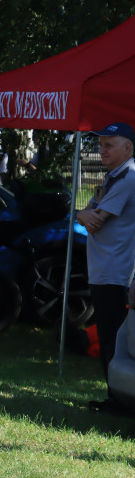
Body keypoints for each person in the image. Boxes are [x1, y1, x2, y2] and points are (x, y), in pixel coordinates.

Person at [75, 122, 135, 414]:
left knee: (112, 339)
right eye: (100, 145)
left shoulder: (128, 178)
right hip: (106, 270)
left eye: (109, 145)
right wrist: (82, 213)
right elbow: (88, 214)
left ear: (128, 148)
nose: (102, 150)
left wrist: (80, 213)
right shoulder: (115, 177)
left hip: (115, 272)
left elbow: (95, 219)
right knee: (110, 336)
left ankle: (118, 401)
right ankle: (116, 398)